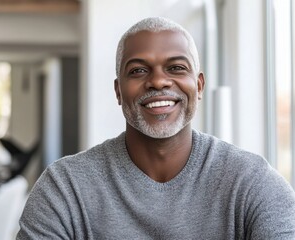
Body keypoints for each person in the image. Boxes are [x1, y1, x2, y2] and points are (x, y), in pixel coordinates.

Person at [17, 17, 295, 239]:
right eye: (138, 70)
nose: (158, 81)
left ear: (198, 86)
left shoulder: (252, 183)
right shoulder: (65, 188)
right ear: (118, 91)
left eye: (175, 68)